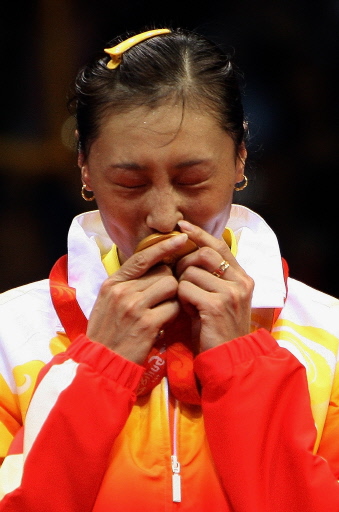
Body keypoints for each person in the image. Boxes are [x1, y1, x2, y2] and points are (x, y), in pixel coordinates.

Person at [0, 26, 339, 512]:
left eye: (192, 179)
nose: (163, 216)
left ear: (240, 157)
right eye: (130, 183)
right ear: (84, 168)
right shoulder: (10, 339)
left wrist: (244, 369)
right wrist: (97, 368)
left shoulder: (328, 337)